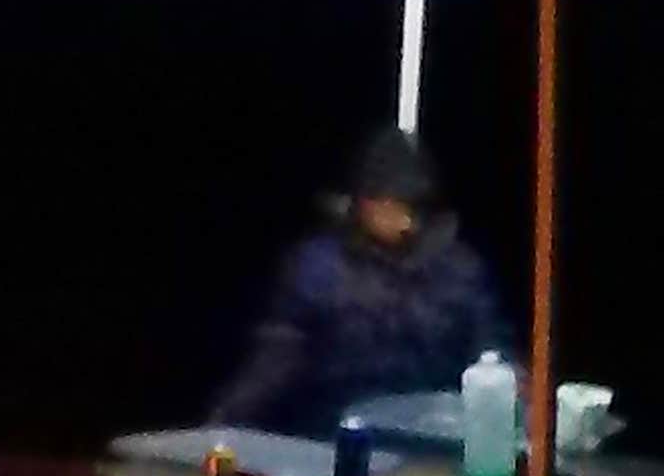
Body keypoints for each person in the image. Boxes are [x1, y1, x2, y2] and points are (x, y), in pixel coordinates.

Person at [211, 125, 516, 436]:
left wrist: (521, 401)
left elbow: (492, 351)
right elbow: (276, 358)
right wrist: (225, 423)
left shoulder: (459, 268)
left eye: (408, 204)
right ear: (362, 203)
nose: (400, 217)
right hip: (336, 435)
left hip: (431, 441)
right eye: (385, 202)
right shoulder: (317, 268)